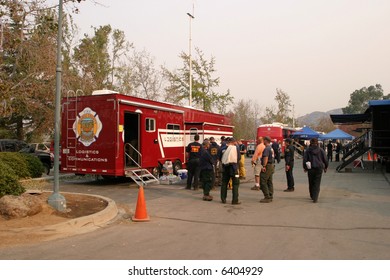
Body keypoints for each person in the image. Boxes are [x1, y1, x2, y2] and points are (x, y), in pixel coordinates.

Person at [303, 138, 328, 203]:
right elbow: (325, 159)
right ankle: (315, 197)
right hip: (319, 168)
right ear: (317, 143)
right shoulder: (321, 150)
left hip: (310, 168)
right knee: (317, 183)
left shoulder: (308, 150)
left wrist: (305, 168)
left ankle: (312, 195)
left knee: (311, 182)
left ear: (310, 143)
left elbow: (305, 160)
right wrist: (326, 167)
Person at [220, 137, 240, 204]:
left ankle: (223, 199)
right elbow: (238, 158)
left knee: (224, 183)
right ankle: (235, 200)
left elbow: (220, 158)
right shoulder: (235, 148)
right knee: (235, 184)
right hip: (234, 168)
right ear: (233, 142)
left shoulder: (222, 148)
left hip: (225, 168)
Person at [259, 136, 275, 203]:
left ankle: (267, 196)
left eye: (263, 140)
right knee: (269, 181)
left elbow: (265, 158)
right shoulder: (271, 148)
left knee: (263, 181)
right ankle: (270, 195)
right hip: (271, 165)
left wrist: (264, 166)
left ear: (265, 141)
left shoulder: (266, 149)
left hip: (267, 165)